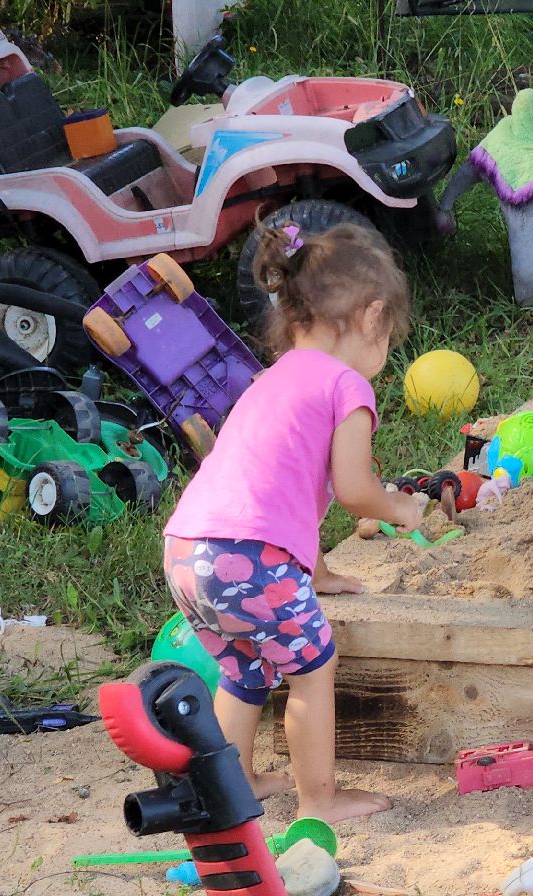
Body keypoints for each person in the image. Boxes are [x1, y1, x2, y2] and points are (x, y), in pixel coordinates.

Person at [162, 221, 421, 822]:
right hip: (248, 556)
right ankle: (319, 800)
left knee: (244, 671)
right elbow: (354, 491)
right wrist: (399, 507)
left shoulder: (268, 381)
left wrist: (317, 570)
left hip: (187, 550)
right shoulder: (346, 386)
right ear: (371, 317)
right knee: (313, 666)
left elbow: (279, 492)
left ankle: (237, 783)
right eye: (390, 337)